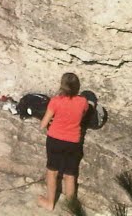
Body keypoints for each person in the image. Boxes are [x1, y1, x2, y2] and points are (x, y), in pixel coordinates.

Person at [39, 72, 90, 211]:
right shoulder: (83, 102)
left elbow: (43, 124)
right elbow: (81, 115)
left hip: (55, 140)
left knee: (52, 172)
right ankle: (71, 209)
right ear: (77, 87)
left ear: (62, 86)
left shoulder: (56, 101)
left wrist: (51, 121)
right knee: (70, 175)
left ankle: (50, 203)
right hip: (73, 142)